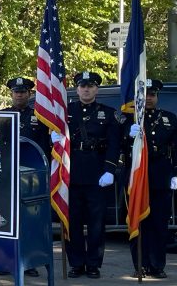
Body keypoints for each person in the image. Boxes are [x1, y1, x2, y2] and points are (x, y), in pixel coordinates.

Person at [59, 72, 120, 279]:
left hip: (97, 173)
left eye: (91, 86)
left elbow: (114, 144)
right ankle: (76, 263)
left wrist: (110, 170)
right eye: (82, 86)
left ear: (97, 89)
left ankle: (93, 264)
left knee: (96, 222)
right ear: (76, 89)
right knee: (72, 222)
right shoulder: (64, 112)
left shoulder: (108, 113)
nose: (86, 89)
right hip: (71, 173)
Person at [122, 79, 177, 279]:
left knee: (159, 224)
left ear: (157, 97)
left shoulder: (168, 118)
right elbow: (117, 146)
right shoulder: (129, 118)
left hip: (160, 174)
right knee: (139, 223)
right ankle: (140, 264)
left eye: (152, 94)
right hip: (138, 175)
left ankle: (157, 265)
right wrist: (128, 136)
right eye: (145, 94)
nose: (148, 98)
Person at [0, 77, 48, 277]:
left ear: (29, 94)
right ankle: (4, 261)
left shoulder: (40, 117)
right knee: (4, 219)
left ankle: (28, 262)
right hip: (6, 175)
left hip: (31, 177)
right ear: (11, 94)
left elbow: (45, 146)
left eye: (23, 91)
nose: (19, 94)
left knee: (29, 219)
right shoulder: (1, 117)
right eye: (16, 91)